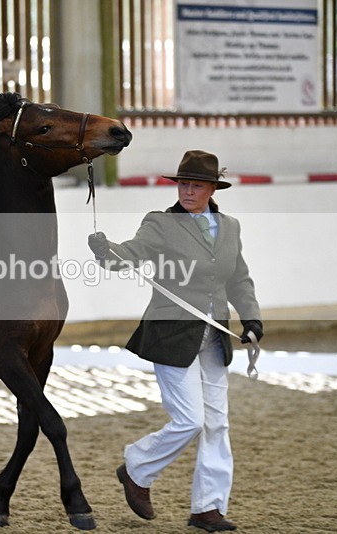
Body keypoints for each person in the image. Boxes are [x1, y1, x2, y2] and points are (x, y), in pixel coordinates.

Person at [87, 149, 263, 532]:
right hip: (171, 334)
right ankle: (137, 467)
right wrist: (107, 252)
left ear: (212, 188)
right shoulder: (161, 224)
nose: (187, 191)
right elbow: (131, 254)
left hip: (214, 337)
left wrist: (251, 316)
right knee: (190, 421)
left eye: (195, 185)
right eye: (183, 183)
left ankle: (208, 508)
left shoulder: (230, 227)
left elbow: (238, 279)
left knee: (217, 424)